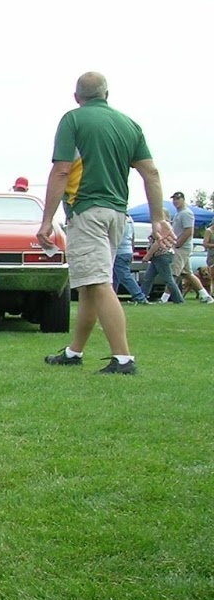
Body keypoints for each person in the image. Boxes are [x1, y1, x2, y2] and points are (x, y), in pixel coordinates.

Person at [38, 72, 170, 374]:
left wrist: (47, 220)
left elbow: (61, 171)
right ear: (106, 95)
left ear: (77, 97)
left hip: (87, 210)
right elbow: (151, 173)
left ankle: (123, 358)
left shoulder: (73, 120)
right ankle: (74, 352)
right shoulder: (129, 125)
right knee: (89, 284)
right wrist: (158, 219)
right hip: (117, 215)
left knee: (98, 283)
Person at [168, 191, 213, 303]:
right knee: (188, 274)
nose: (175, 201)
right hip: (180, 247)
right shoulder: (178, 213)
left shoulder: (186, 213)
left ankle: (165, 298)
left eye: (178, 199)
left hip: (182, 248)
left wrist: (178, 244)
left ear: (183, 199)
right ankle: (205, 296)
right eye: (174, 199)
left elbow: (189, 231)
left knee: (174, 273)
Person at [112, 218, 149, 304]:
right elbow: (132, 237)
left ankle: (139, 297)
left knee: (124, 276)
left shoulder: (119, 218)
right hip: (127, 250)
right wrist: (132, 251)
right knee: (115, 276)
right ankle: (111, 298)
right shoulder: (130, 220)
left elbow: (115, 236)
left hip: (120, 251)